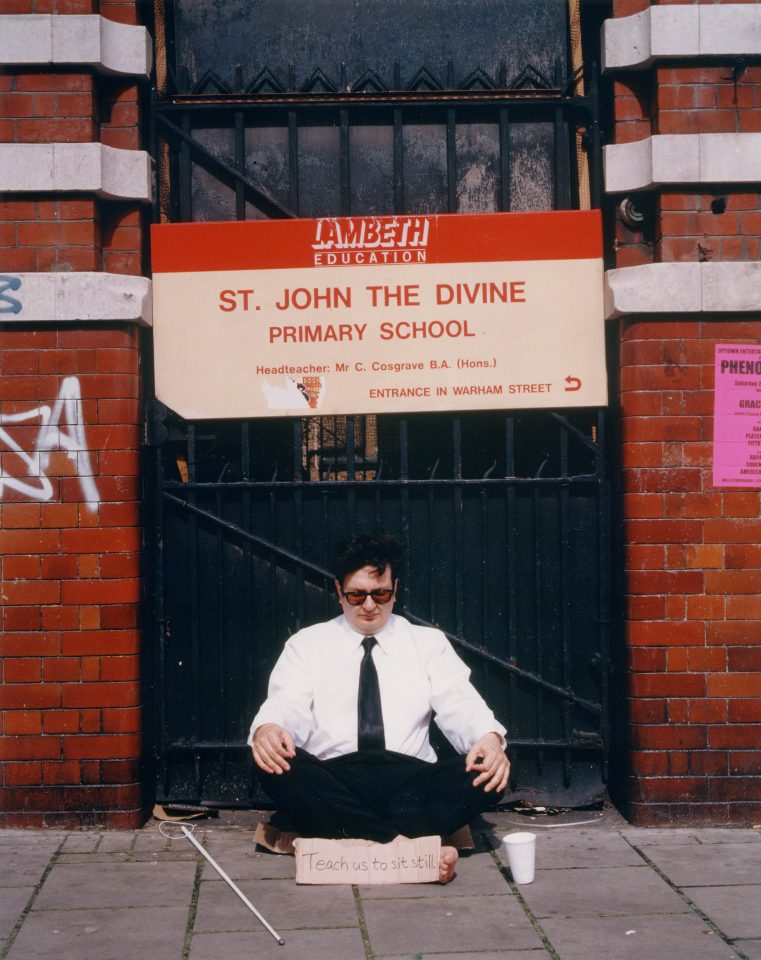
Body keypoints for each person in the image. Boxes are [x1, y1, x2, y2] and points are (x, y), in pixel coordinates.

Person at [249, 531, 510, 883]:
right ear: (339, 592)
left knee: (490, 773)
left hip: (408, 780)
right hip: (334, 777)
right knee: (269, 764)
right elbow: (286, 702)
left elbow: (459, 702)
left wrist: (488, 739)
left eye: (380, 594)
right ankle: (402, 850)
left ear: (395, 590)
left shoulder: (427, 643)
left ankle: (353, 838)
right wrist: (270, 728)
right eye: (357, 595)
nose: (370, 606)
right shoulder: (307, 645)